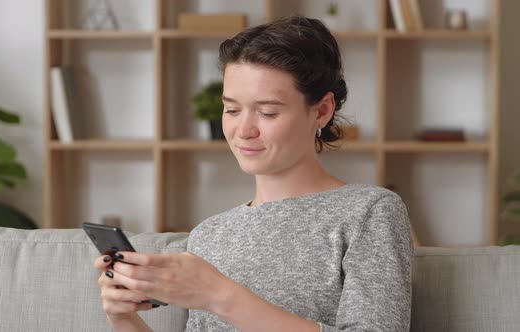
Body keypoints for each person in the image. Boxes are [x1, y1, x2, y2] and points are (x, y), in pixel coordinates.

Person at [94, 16, 413, 332]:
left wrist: (220, 296)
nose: (243, 130)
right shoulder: (209, 235)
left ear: (322, 111)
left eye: (267, 112)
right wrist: (123, 319)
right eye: (232, 109)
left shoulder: (369, 213)